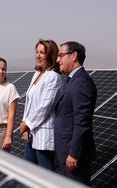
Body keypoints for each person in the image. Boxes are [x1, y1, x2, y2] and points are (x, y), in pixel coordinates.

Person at [54, 41, 97, 185]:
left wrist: (73, 153)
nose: (57, 59)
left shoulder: (82, 83)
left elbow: (82, 122)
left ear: (74, 56)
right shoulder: (71, 81)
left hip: (73, 154)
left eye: (61, 55)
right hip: (65, 149)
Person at [19, 39, 62, 171]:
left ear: (50, 55)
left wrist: (27, 124)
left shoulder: (53, 77)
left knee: (45, 172)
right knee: (27, 171)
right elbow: (29, 102)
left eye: (42, 52)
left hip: (44, 133)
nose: (37, 55)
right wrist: (25, 123)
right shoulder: (37, 74)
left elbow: (45, 106)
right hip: (31, 132)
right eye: (37, 52)